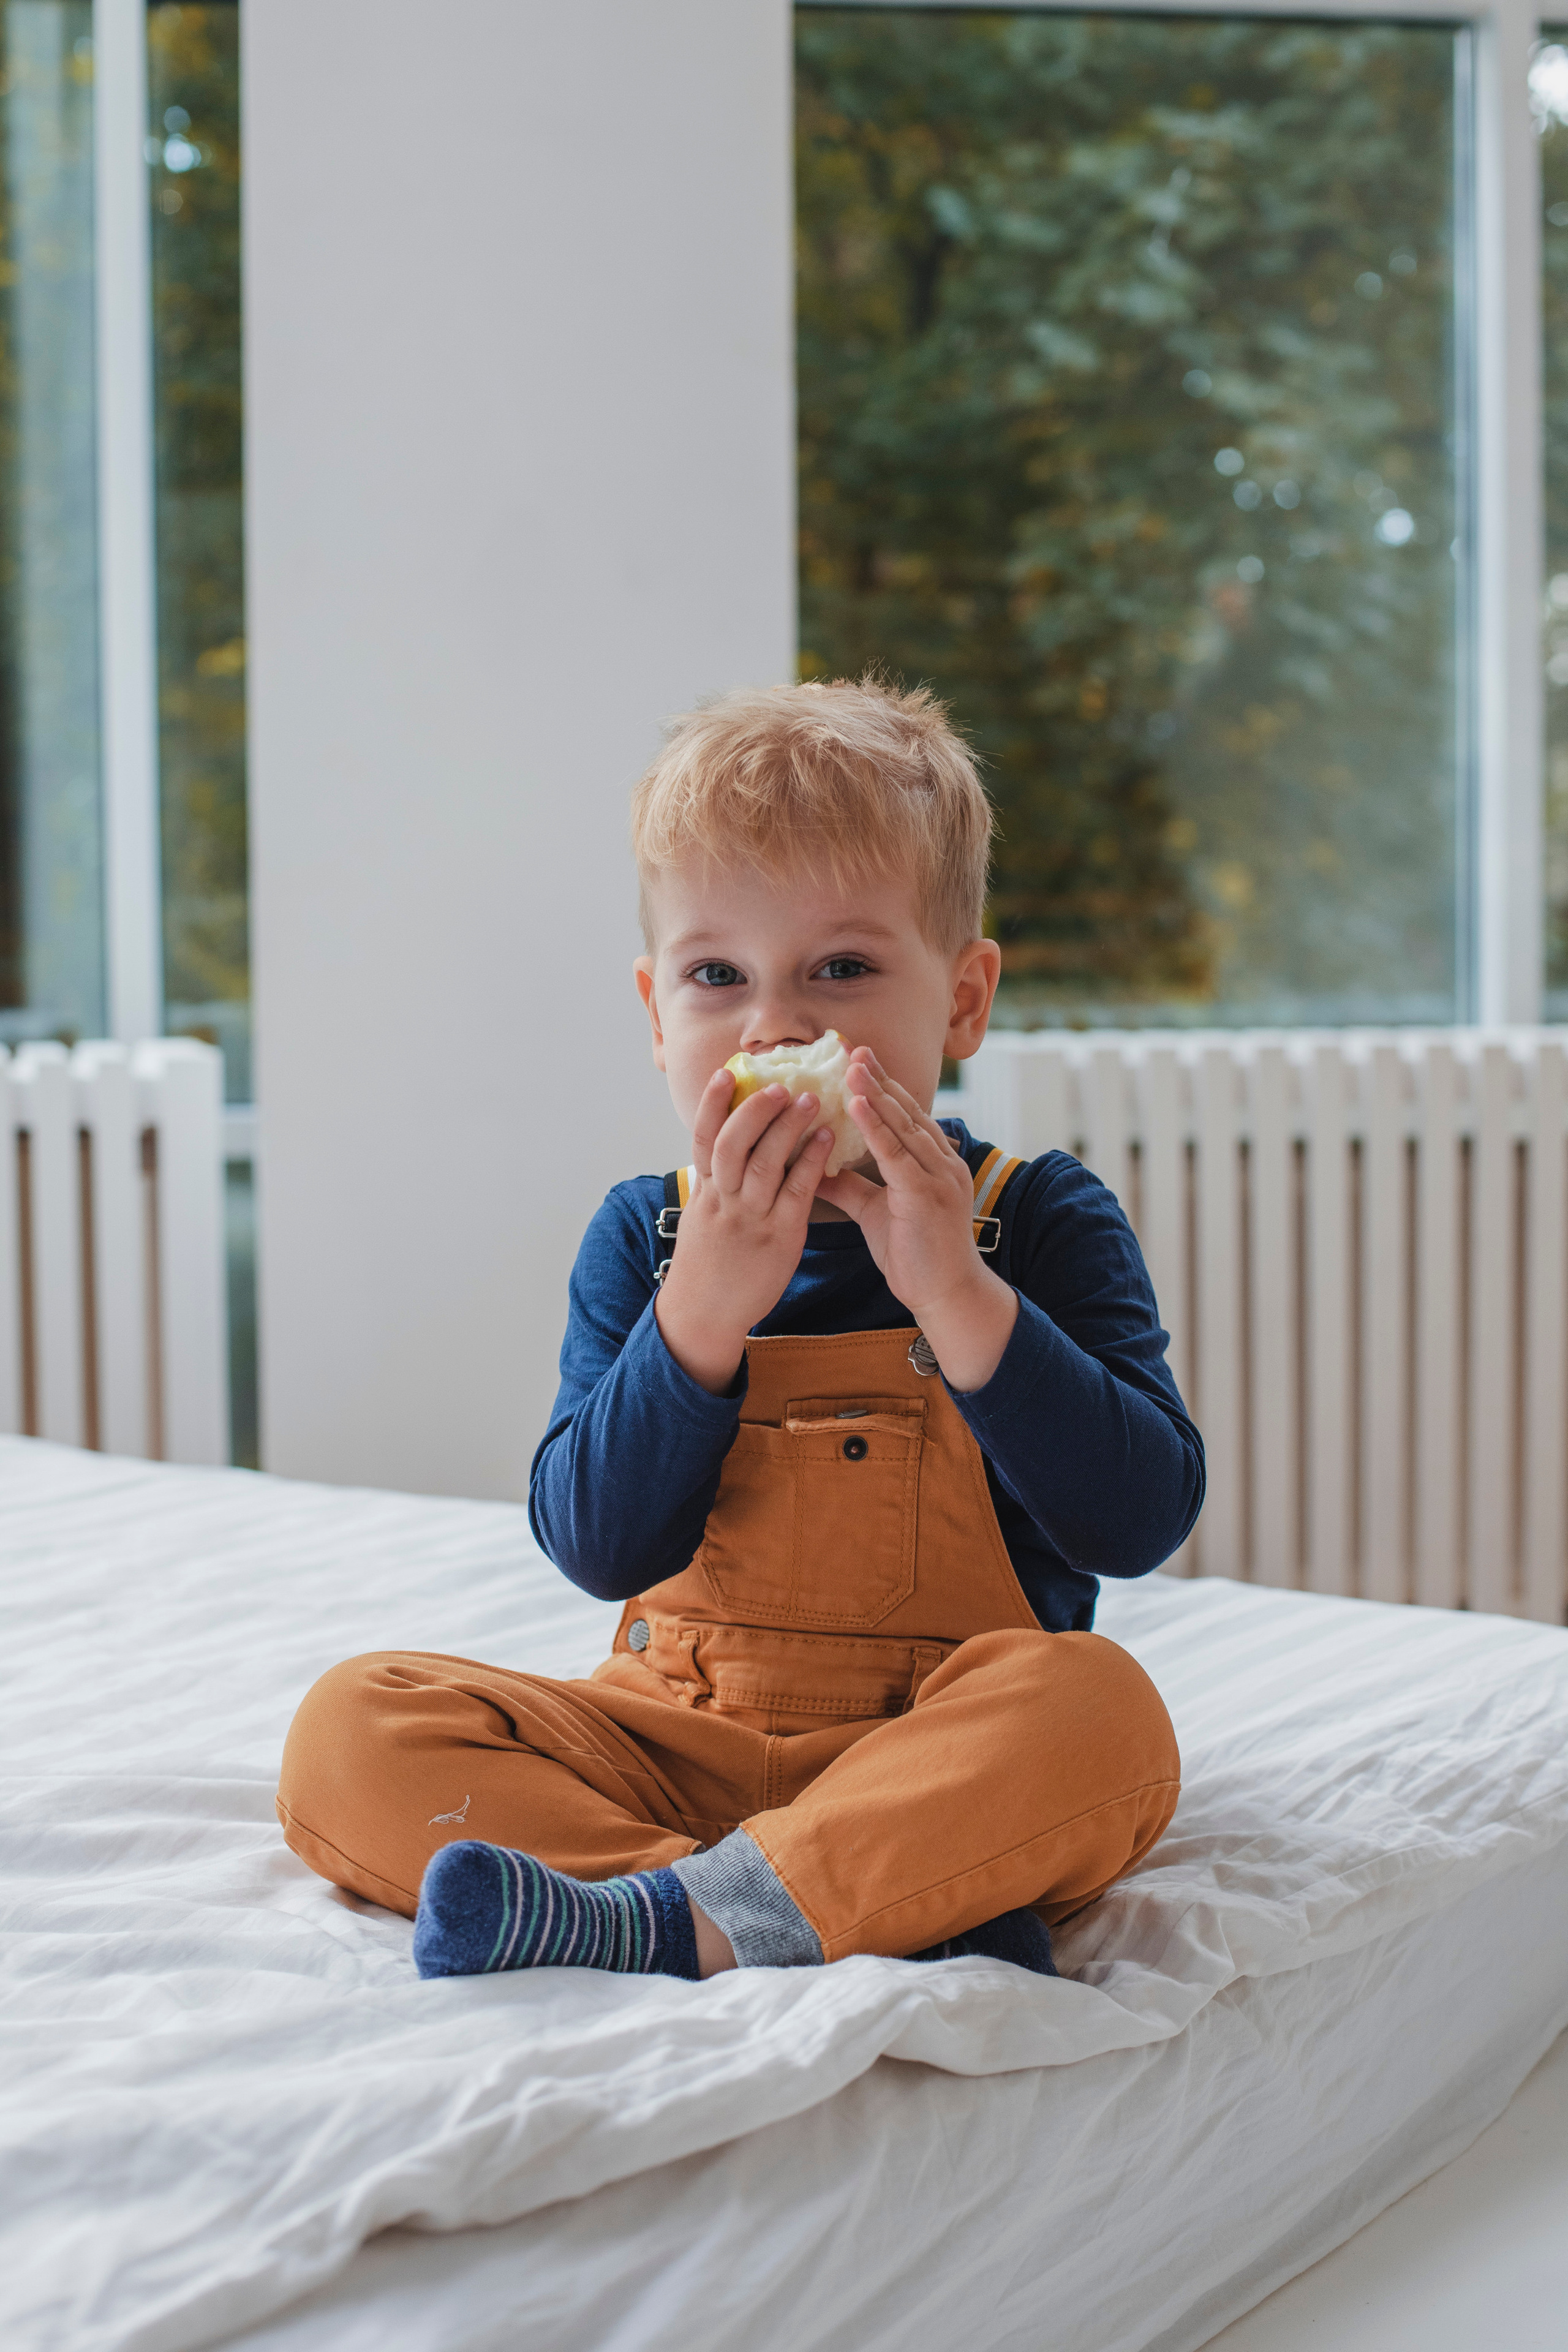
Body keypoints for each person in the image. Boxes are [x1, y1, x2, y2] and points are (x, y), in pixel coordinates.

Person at [276, 679, 1200, 1985]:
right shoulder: (645, 1236)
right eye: (719, 976)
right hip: (667, 1747)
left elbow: (1136, 1520)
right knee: (350, 1730)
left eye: (842, 968)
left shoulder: (1033, 1220)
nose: (776, 1025)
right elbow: (597, 1548)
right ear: (659, 1015)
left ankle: (731, 1900)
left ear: (961, 1001)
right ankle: (836, 1893)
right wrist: (700, 1312)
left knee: (1102, 1719)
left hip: (928, 1737)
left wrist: (958, 1294)